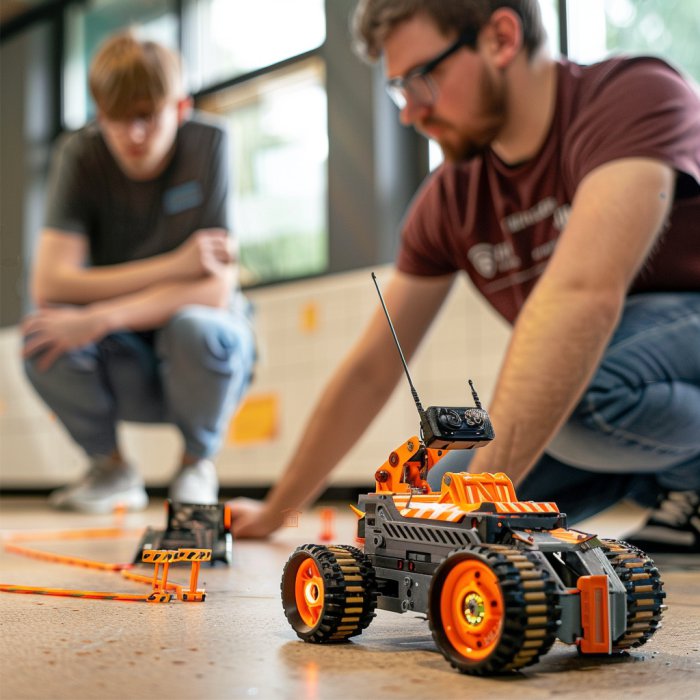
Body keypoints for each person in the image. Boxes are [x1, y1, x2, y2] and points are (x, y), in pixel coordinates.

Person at [230, 0, 700, 552]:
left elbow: (581, 298)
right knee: (421, 507)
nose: (410, 112)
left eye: (422, 80)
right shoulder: (452, 196)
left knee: (576, 394)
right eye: (399, 89)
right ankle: (679, 486)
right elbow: (371, 369)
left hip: (665, 339)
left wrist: (479, 506)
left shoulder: (633, 95)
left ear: (501, 38)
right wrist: (277, 510)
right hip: (626, 389)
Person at [22, 30, 256, 513]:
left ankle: (195, 465)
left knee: (196, 324)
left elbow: (214, 293)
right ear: (98, 113)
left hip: (203, 356)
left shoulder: (210, 144)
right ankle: (111, 470)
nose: (131, 135)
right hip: (129, 358)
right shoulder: (80, 155)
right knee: (41, 339)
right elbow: (50, 284)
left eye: (146, 116)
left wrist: (101, 314)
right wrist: (176, 266)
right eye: (114, 119)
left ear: (180, 107)